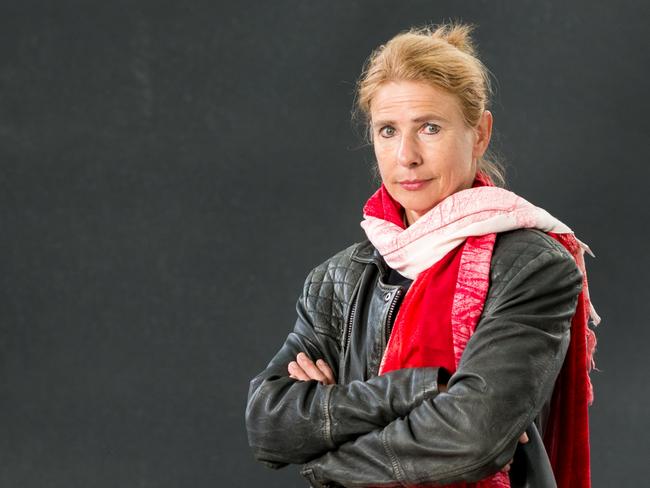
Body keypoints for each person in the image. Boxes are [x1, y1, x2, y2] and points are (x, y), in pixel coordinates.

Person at [245, 22, 599, 488]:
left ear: (480, 133)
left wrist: (327, 461)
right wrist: (419, 391)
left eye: (430, 127)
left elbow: (472, 439)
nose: (406, 155)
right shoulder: (340, 276)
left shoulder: (531, 267)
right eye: (388, 130)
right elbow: (270, 423)